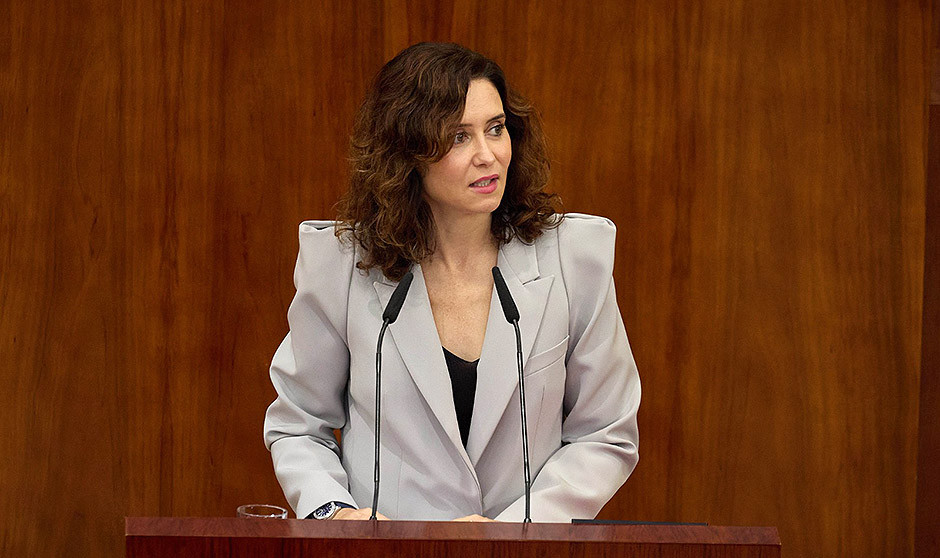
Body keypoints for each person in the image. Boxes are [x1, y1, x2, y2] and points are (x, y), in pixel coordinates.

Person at [263, 42, 640, 522]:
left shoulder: (573, 259)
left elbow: (606, 432)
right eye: (459, 137)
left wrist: (514, 532)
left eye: (496, 129)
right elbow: (298, 425)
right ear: (407, 154)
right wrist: (333, 513)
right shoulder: (343, 266)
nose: (488, 156)